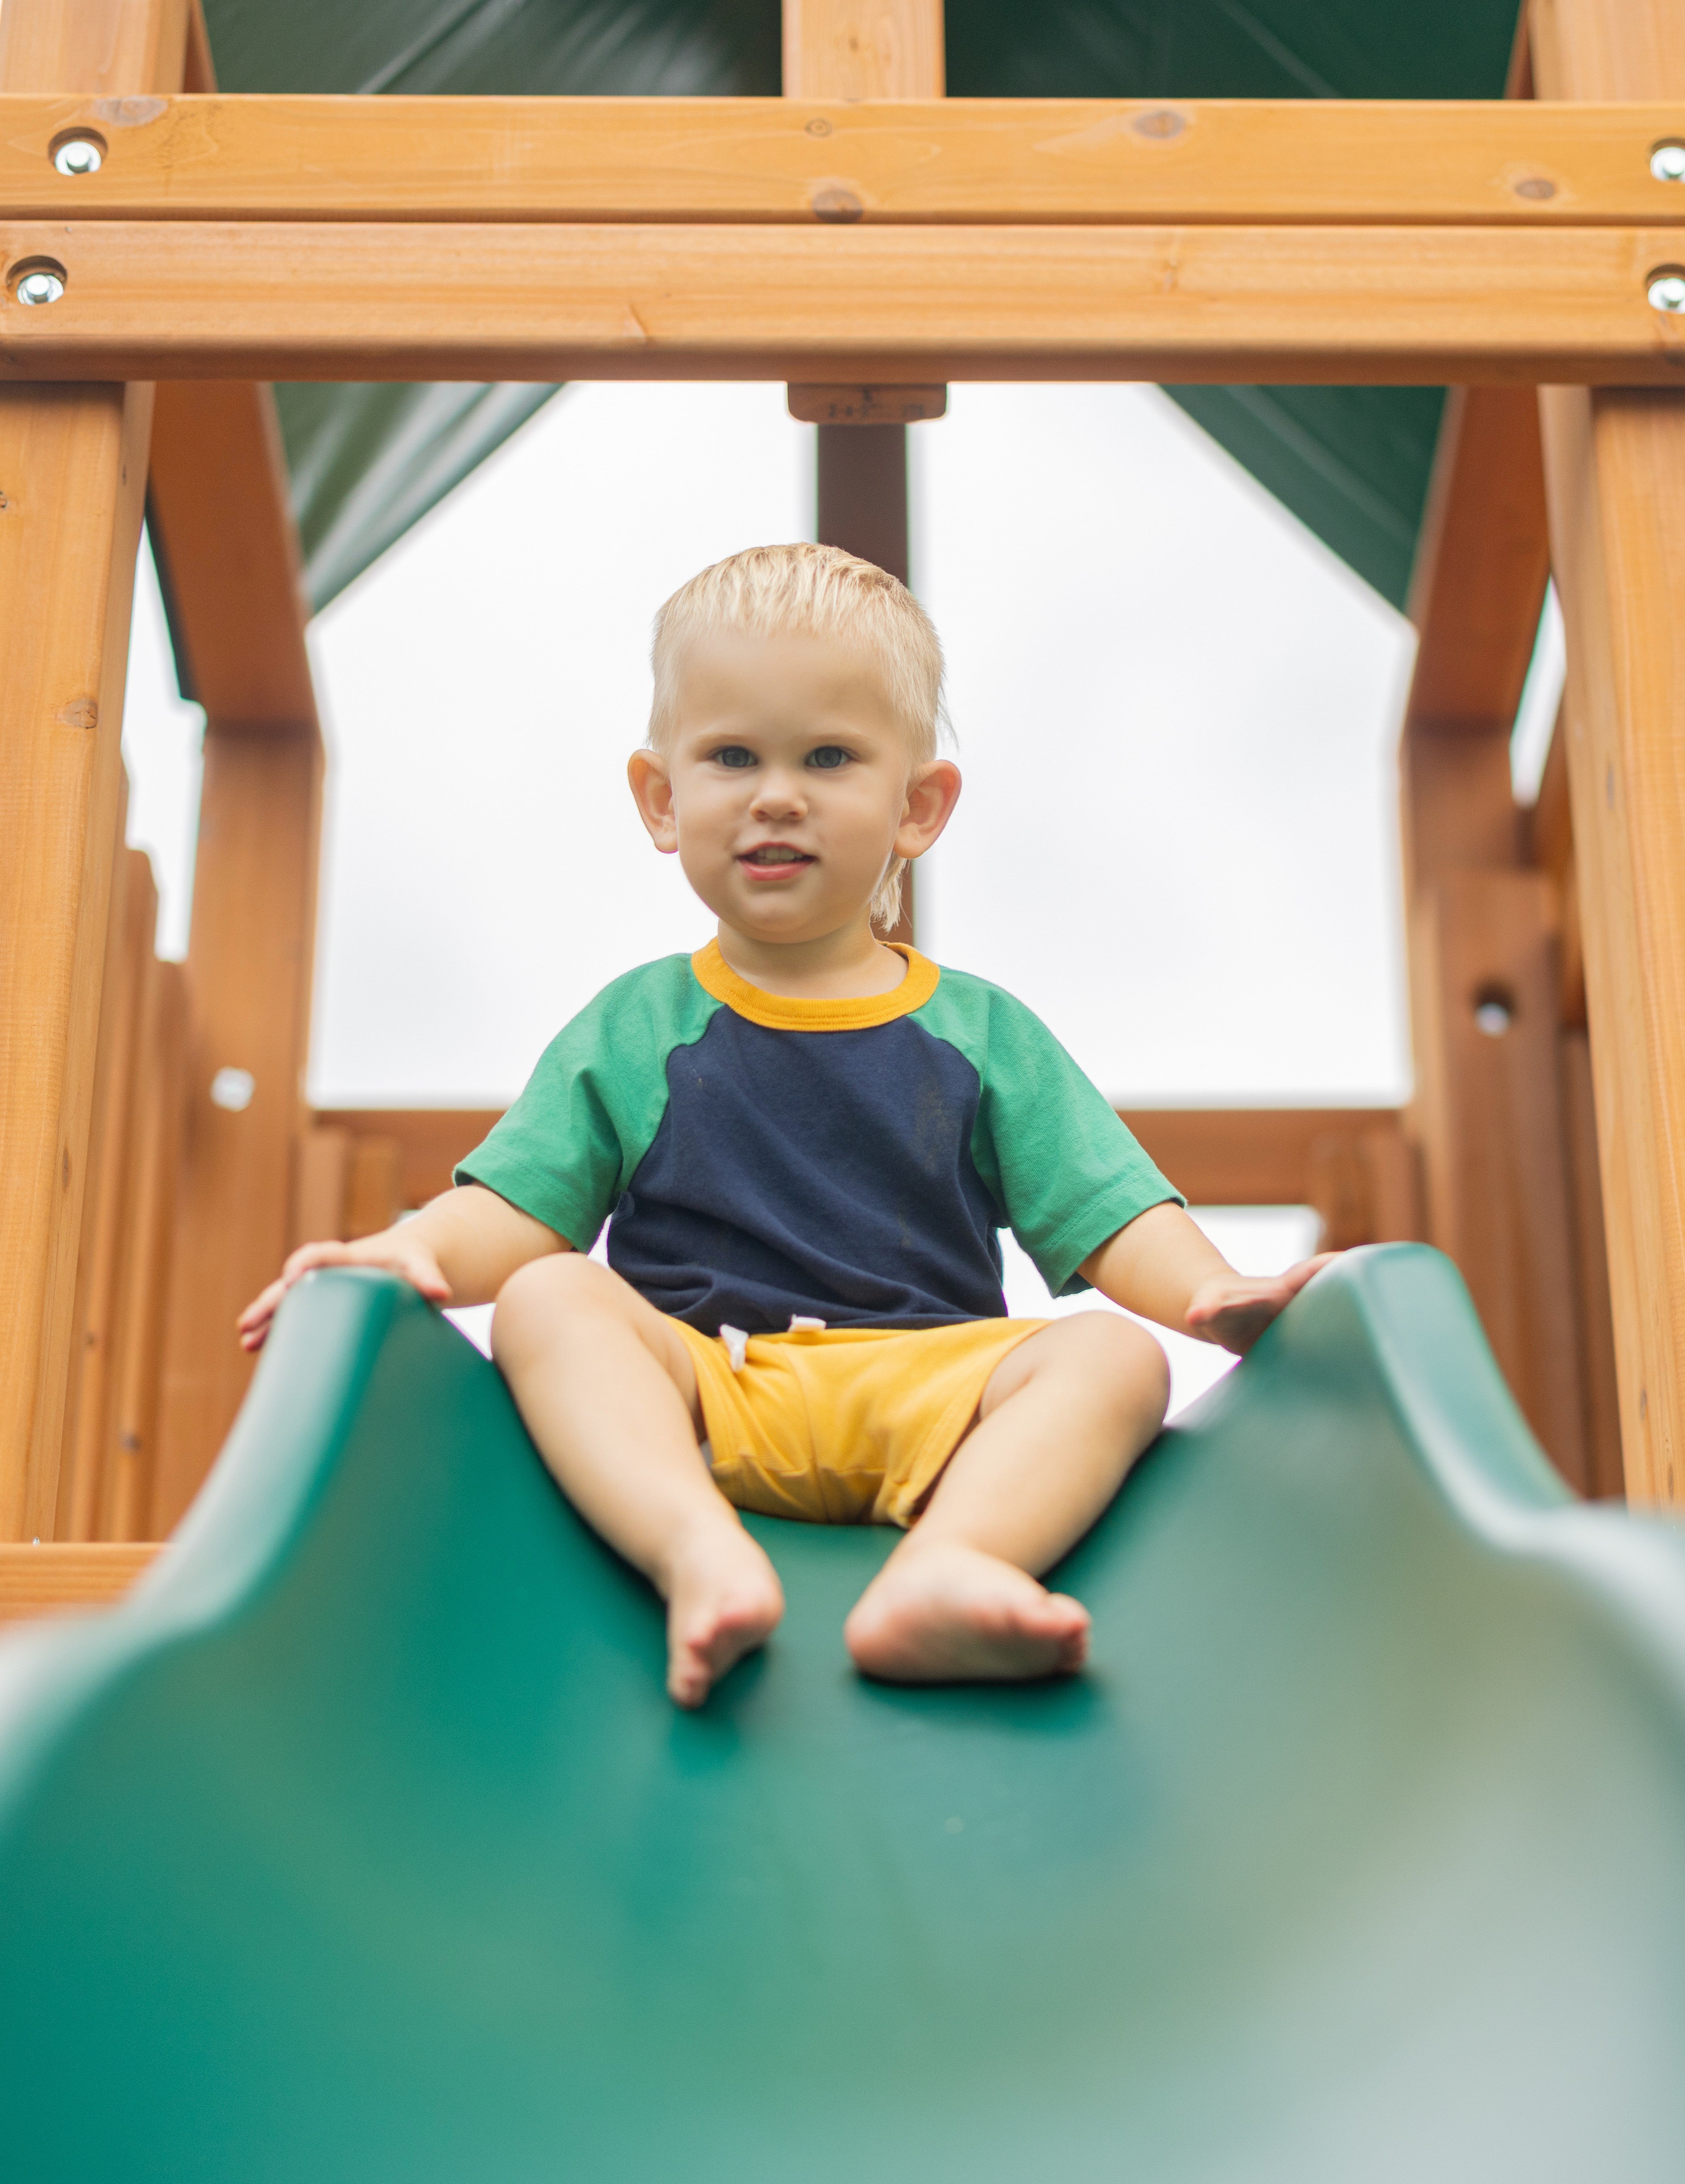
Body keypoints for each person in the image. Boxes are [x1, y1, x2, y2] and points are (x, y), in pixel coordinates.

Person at [240, 544, 1330, 1708]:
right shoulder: (643, 1025)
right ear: (663, 800)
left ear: (918, 806)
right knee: (548, 1299)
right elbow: (519, 1204)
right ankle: (691, 1548)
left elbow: (1109, 1207)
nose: (776, 794)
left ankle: (954, 1564)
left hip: (932, 1395)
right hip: (709, 1387)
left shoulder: (979, 1033)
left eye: (828, 757)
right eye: (731, 757)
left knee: (1112, 1355)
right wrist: (412, 1251)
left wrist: (1213, 1297)